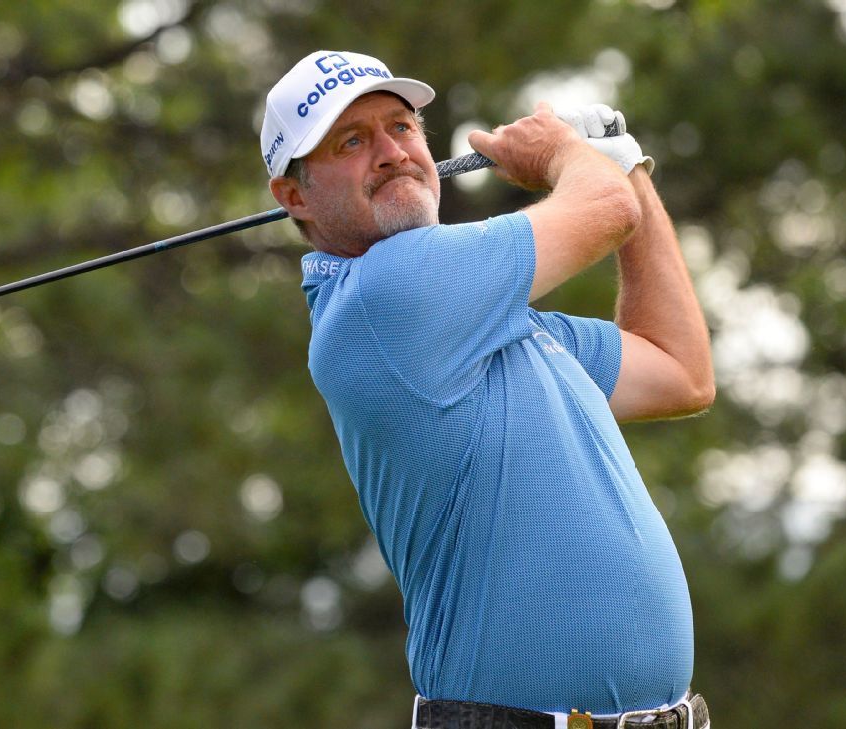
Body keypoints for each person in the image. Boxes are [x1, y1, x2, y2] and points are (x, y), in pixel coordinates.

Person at [260, 50, 715, 729]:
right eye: (351, 142)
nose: (392, 154)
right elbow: (605, 208)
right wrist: (566, 154)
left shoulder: (495, 323)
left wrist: (627, 168)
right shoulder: (386, 294)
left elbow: (680, 372)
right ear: (294, 196)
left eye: (401, 127)